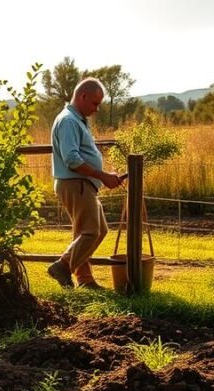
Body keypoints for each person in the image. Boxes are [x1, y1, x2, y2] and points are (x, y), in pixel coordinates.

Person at [48, 77, 126, 289]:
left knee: (96, 230)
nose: (97, 109)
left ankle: (84, 279)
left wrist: (102, 175)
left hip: (83, 185)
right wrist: (102, 176)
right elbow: (71, 159)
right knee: (90, 232)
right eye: (95, 103)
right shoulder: (69, 121)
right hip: (76, 184)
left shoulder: (76, 120)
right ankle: (62, 265)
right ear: (82, 96)